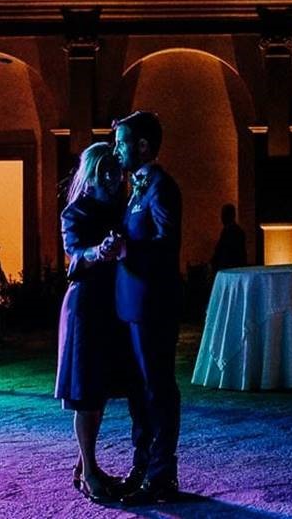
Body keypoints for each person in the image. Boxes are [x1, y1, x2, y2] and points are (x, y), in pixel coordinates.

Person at [113, 110, 183, 506]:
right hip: (131, 305)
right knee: (137, 391)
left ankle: (161, 475)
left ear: (142, 146)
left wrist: (127, 248)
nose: (116, 151)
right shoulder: (135, 188)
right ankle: (141, 467)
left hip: (154, 304)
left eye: (121, 143)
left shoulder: (161, 187)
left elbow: (167, 243)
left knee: (158, 389)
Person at [55, 143, 127, 504]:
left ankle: (86, 467)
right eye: (105, 170)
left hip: (113, 303)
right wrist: (99, 251)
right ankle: (89, 471)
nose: (113, 176)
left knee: (100, 388)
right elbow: (75, 251)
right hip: (86, 304)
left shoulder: (121, 206)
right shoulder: (76, 211)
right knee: (87, 393)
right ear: (91, 173)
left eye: (116, 169)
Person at [210, 203, 247, 273]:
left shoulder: (230, 231)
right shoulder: (235, 231)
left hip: (230, 268)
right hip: (233, 267)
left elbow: (222, 249)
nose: (222, 218)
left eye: (224, 214)